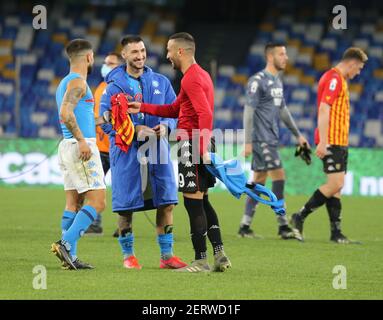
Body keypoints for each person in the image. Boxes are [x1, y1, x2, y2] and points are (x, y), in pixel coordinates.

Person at [127, 32, 231, 273]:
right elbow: (175, 109)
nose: (167, 55)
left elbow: (205, 114)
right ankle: (219, 255)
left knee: (193, 204)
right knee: (203, 201)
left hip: (193, 144)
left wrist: (202, 149)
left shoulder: (190, 79)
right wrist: (142, 106)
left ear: (181, 52)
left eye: (169, 50)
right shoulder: (200, 75)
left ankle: (200, 260)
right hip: (200, 141)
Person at [100, 35, 187, 269]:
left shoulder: (161, 81)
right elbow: (104, 121)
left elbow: (175, 113)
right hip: (127, 153)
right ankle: (128, 256)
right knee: (126, 207)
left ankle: (166, 256)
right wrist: (133, 129)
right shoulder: (113, 87)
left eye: (142, 51)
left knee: (166, 201)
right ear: (125, 56)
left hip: (158, 151)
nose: (140, 56)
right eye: (134, 52)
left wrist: (166, 126)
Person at [291, 47, 368, 243]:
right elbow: (324, 109)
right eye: (358, 68)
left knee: (337, 188)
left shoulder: (340, 79)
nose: (357, 73)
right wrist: (324, 141)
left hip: (340, 141)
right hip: (331, 140)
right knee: (336, 183)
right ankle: (299, 216)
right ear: (351, 63)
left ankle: (336, 233)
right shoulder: (334, 79)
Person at [238, 43, 309, 240]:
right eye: (282, 54)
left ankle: (244, 226)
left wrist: (298, 135)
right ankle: (283, 225)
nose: (286, 57)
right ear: (270, 57)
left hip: (270, 139)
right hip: (261, 140)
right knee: (279, 175)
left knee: (258, 181)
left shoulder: (277, 82)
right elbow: (248, 111)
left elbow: (283, 111)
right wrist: (248, 141)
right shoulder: (257, 81)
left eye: (285, 54)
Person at [51, 39, 106, 270]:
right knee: (98, 201)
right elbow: (66, 113)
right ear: (89, 57)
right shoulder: (79, 83)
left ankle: (69, 257)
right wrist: (83, 141)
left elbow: (78, 117)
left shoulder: (64, 82)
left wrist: (103, 120)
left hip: (68, 145)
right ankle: (66, 243)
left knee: (73, 203)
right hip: (80, 147)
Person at [85, 52, 123, 235]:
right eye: (106, 62)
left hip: (119, 147)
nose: (106, 65)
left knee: (121, 189)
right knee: (95, 186)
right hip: (100, 148)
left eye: (111, 63)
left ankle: (123, 226)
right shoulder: (100, 87)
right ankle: (95, 224)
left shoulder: (123, 87)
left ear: (120, 66)